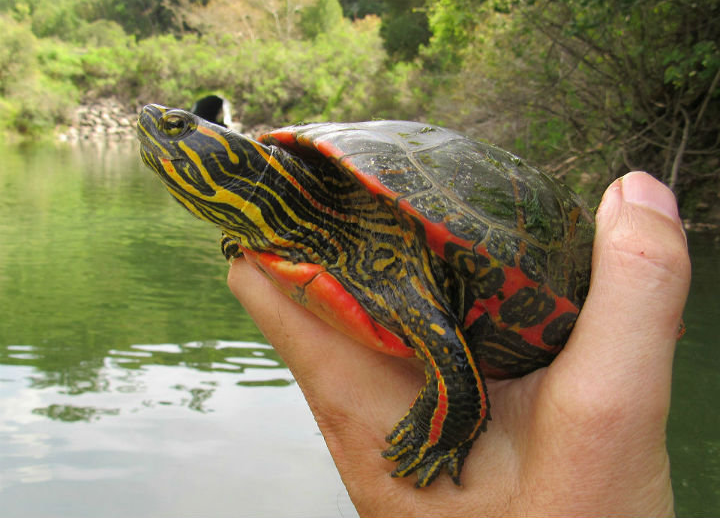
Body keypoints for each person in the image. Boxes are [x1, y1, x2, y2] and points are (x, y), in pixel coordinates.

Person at [227, 171, 690, 517]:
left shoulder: (382, 243)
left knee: (437, 334)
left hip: (537, 284)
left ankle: (454, 428)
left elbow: (443, 343)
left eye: (177, 129)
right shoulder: (311, 217)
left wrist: (446, 430)